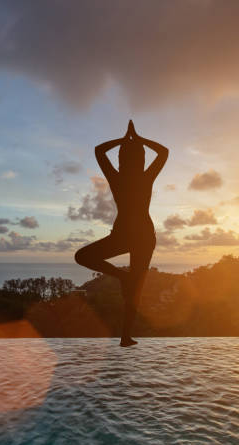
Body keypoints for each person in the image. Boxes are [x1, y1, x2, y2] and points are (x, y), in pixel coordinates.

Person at [74, 120, 168, 347]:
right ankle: (124, 281)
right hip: (138, 235)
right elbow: (163, 152)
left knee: (87, 259)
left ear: (122, 160)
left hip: (135, 236)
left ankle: (126, 335)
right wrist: (138, 139)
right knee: (132, 286)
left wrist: (124, 139)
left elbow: (99, 151)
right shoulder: (144, 177)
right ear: (142, 160)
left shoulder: (119, 177)